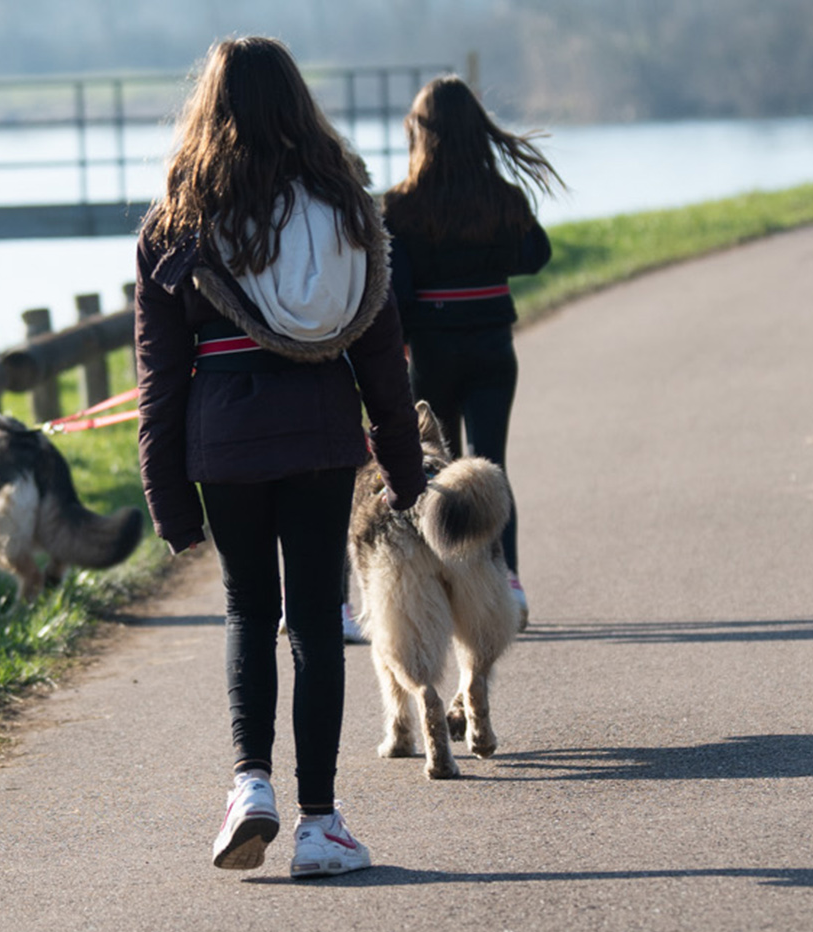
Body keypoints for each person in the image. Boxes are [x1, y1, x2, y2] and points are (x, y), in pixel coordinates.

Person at [135, 36, 428, 878]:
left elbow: (159, 380)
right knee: (314, 624)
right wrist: (406, 471)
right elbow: (380, 351)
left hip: (222, 439)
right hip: (319, 431)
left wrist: (167, 495)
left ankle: (249, 786)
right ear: (297, 105)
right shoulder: (345, 211)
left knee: (246, 612)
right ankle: (321, 823)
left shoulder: (177, 223)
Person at [382, 75, 562, 629]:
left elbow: (399, 293)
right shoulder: (501, 198)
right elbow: (536, 255)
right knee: (491, 469)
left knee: (438, 471)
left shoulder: (401, 207)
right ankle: (506, 583)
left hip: (431, 354)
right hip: (491, 351)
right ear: (477, 134)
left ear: (421, 134)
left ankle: (450, 585)